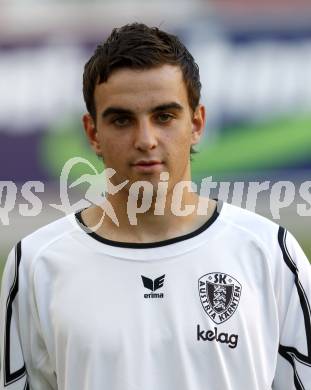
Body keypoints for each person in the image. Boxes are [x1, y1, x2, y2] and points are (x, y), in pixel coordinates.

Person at [0, 23, 310, 390]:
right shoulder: (37, 263)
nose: (145, 140)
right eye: (121, 120)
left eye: (164, 116)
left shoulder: (269, 253)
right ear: (92, 133)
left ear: (196, 124)